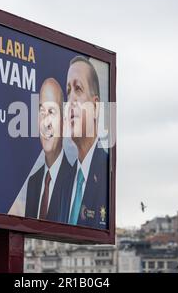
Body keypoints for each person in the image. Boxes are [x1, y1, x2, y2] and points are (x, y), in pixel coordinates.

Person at [66, 56, 109, 229]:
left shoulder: (107, 171)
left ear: (96, 107)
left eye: (78, 89)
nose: (70, 101)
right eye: (68, 91)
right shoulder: (63, 181)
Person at [25, 78, 75, 223]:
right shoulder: (33, 183)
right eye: (42, 112)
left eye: (52, 112)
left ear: (64, 123)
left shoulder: (74, 182)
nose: (46, 122)